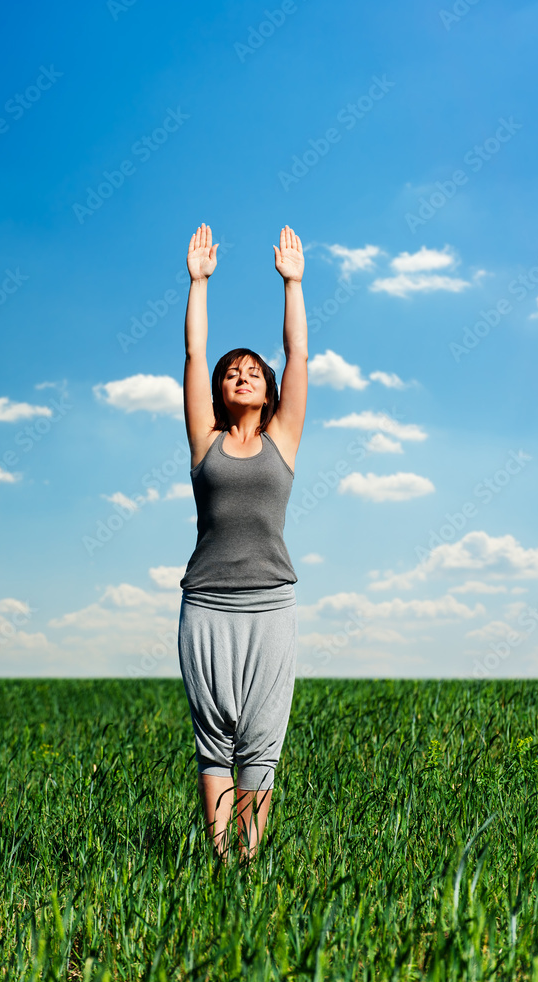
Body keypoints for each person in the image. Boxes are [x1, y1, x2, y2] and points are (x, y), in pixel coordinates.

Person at [178, 222, 308, 865]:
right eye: (235, 372)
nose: (243, 375)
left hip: (271, 606)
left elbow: (299, 357)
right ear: (221, 392)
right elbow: (195, 357)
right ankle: (219, 865)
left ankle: (246, 872)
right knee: (215, 741)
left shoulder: (282, 440)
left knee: (260, 741)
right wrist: (199, 284)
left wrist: (293, 284)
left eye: (253, 371)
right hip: (206, 606)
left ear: (269, 389)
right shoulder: (205, 441)